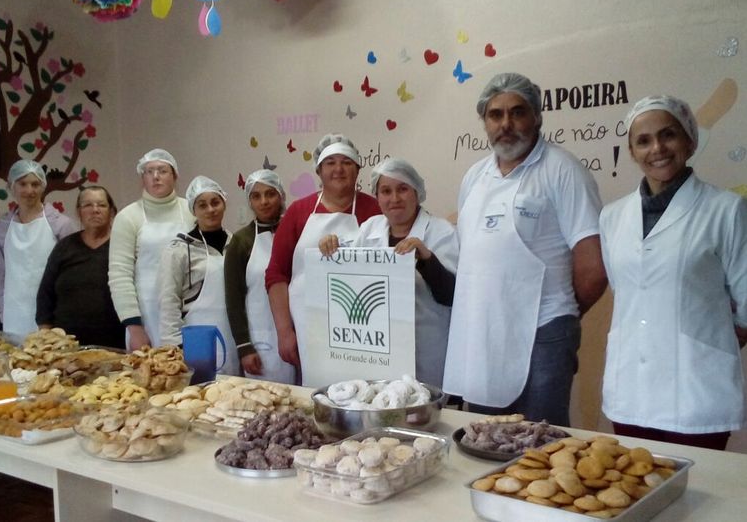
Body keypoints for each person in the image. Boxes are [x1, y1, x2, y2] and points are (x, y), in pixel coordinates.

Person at [443, 72, 607, 426]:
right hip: (484, 331)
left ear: (536, 117)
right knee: (487, 437)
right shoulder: (475, 177)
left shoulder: (562, 170)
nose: (506, 124)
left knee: (540, 444)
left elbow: (593, 268)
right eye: (495, 114)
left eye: (517, 112)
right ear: (484, 122)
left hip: (544, 332)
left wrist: (559, 317)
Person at [599, 95, 747, 450]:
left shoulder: (726, 210)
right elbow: (628, 291)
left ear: (690, 141)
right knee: (636, 493)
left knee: (699, 499)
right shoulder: (613, 217)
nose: (657, 148)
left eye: (668, 135)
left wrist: (706, 340)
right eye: (644, 140)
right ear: (632, 152)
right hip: (630, 391)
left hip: (697, 392)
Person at [319, 158, 458, 387]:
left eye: (402, 189)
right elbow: (351, 275)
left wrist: (426, 258)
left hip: (425, 351)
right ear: (377, 196)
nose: (394, 198)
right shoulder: (370, 229)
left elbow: (451, 295)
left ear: (416, 192)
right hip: (378, 351)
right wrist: (331, 246)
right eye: (386, 191)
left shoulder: (442, 232)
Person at [265, 133, 380, 380]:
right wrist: (285, 332)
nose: (338, 169)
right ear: (319, 171)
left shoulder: (375, 209)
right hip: (310, 328)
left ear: (358, 169)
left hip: (364, 328)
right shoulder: (298, 212)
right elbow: (276, 274)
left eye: (346, 162)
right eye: (330, 163)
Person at [108, 148, 193, 350]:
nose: (155, 177)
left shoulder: (191, 211)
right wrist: (134, 327)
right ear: (142, 178)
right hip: (147, 317)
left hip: (190, 312)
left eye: (162, 171)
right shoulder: (128, 217)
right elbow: (120, 275)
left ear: (175, 176)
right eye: (149, 172)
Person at [158, 176, 239, 375]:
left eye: (215, 202)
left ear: (224, 204)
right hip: (196, 340)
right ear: (193, 210)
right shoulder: (179, 249)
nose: (210, 209)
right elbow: (168, 300)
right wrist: (174, 346)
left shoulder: (236, 243)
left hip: (232, 336)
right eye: (202, 205)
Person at [0, 159, 77, 339]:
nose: (29, 191)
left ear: (43, 186)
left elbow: (71, 274)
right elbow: (0, 276)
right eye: (23, 184)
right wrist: (3, 312)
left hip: (53, 313)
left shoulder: (61, 224)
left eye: (35, 184)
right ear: (12, 187)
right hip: (15, 314)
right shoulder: (1, 229)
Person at [224, 170, 295, 383]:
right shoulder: (241, 241)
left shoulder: (296, 232)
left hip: (298, 333)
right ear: (250, 202)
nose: (264, 202)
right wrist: (244, 347)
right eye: (256, 196)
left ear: (281, 195)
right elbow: (233, 299)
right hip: (261, 340)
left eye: (270, 194)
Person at [36, 186, 125, 348]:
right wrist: (45, 334)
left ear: (112, 212)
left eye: (101, 205)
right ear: (78, 212)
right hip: (66, 345)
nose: (95, 210)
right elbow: (45, 293)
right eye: (88, 205)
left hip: (115, 342)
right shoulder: (64, 247)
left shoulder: (124, 245)